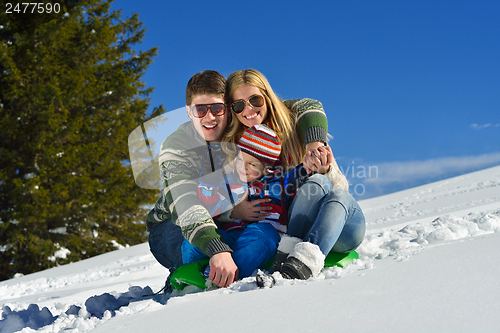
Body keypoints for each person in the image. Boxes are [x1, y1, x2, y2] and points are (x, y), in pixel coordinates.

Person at [146, 70, 325, 288]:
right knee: (192, 243)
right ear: (188, 111)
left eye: (217, 108)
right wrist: (229, 218)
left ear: (228, 108)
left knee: (262, 238)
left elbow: (304, 105)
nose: (209, 117)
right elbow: (188, 205)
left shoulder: (242, 126)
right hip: (173, 224)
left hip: (236, 227)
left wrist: (314, 147)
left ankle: (225, 273)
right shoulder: (177, 145)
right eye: (200, 110)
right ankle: (192, 277)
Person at [222, 69, 366, 281]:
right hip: (292, 232)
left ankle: (304, 258)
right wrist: (234, 211)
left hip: (338, 226)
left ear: (267, 97)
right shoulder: (237, 149)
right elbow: (219, 194)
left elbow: (310, 105)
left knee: (324, 185)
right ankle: (296, 262)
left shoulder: (294, 131)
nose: (248, 109)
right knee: (315, 183)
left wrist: (320, 162)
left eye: (255, 99)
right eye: (239, 104)